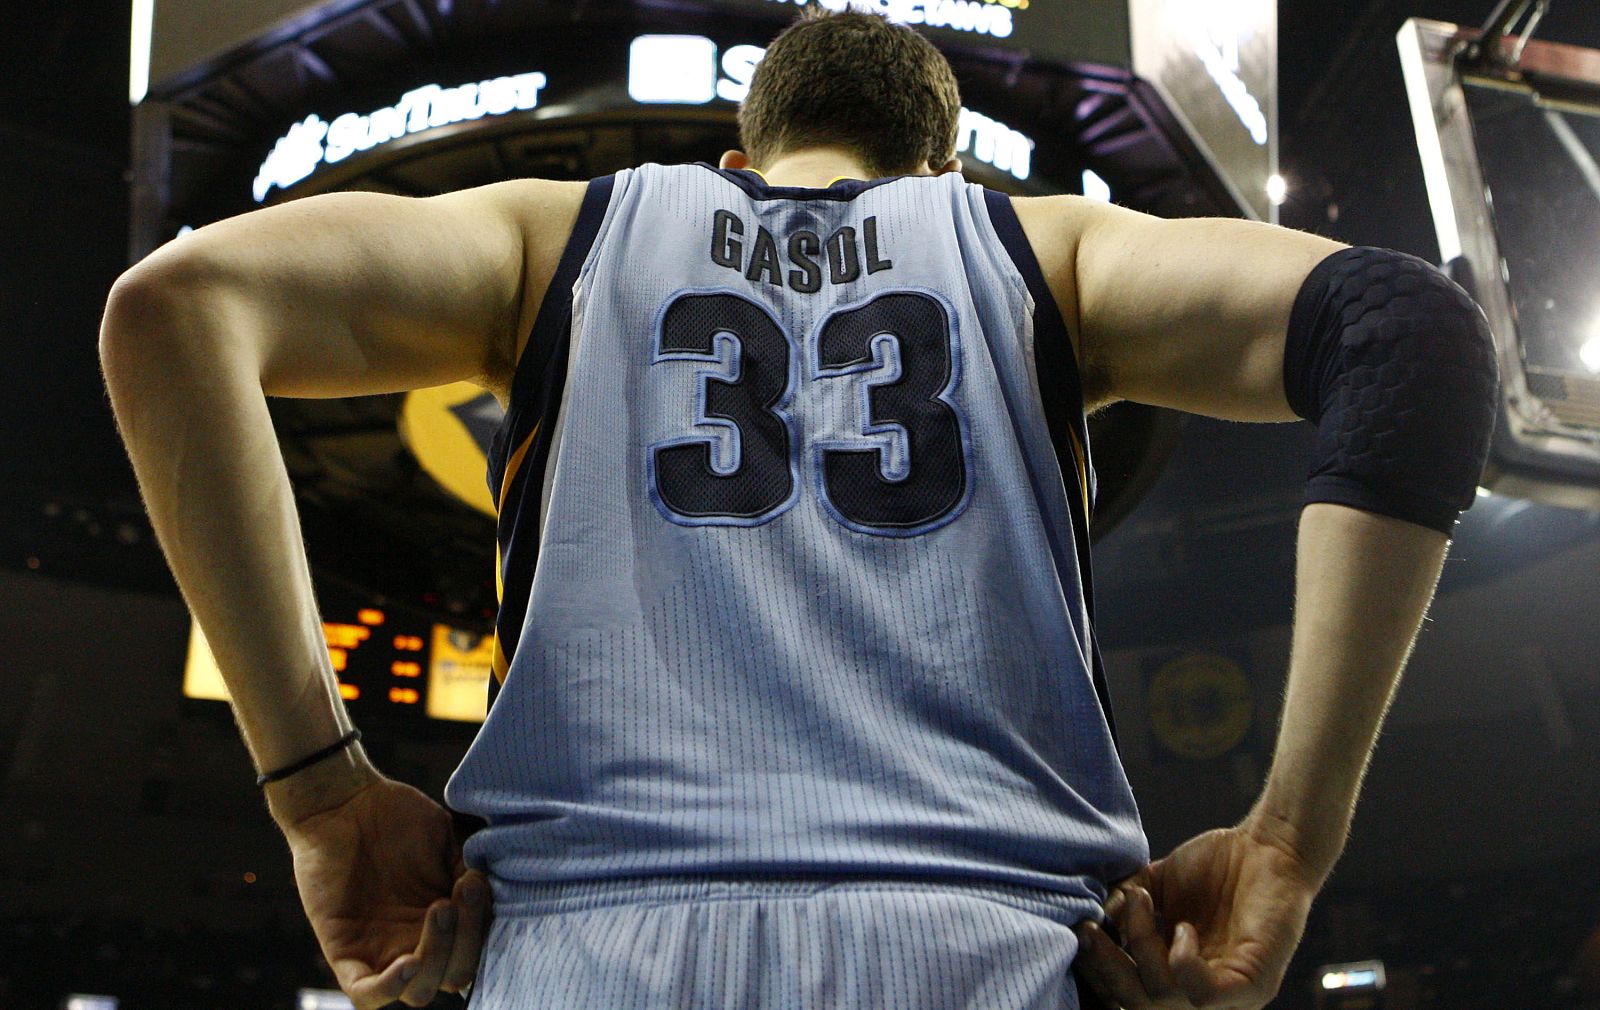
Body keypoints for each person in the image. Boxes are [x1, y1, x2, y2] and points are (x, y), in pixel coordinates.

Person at [98, 7, 1498, 1010]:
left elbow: (169, 311)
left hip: (586, 955)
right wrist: (1290, 837)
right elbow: (1404, 337)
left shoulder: (561, 234)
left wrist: (320, 792)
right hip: (992, 952)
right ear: (948, 170)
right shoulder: (1035, 245)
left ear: (737, 163)